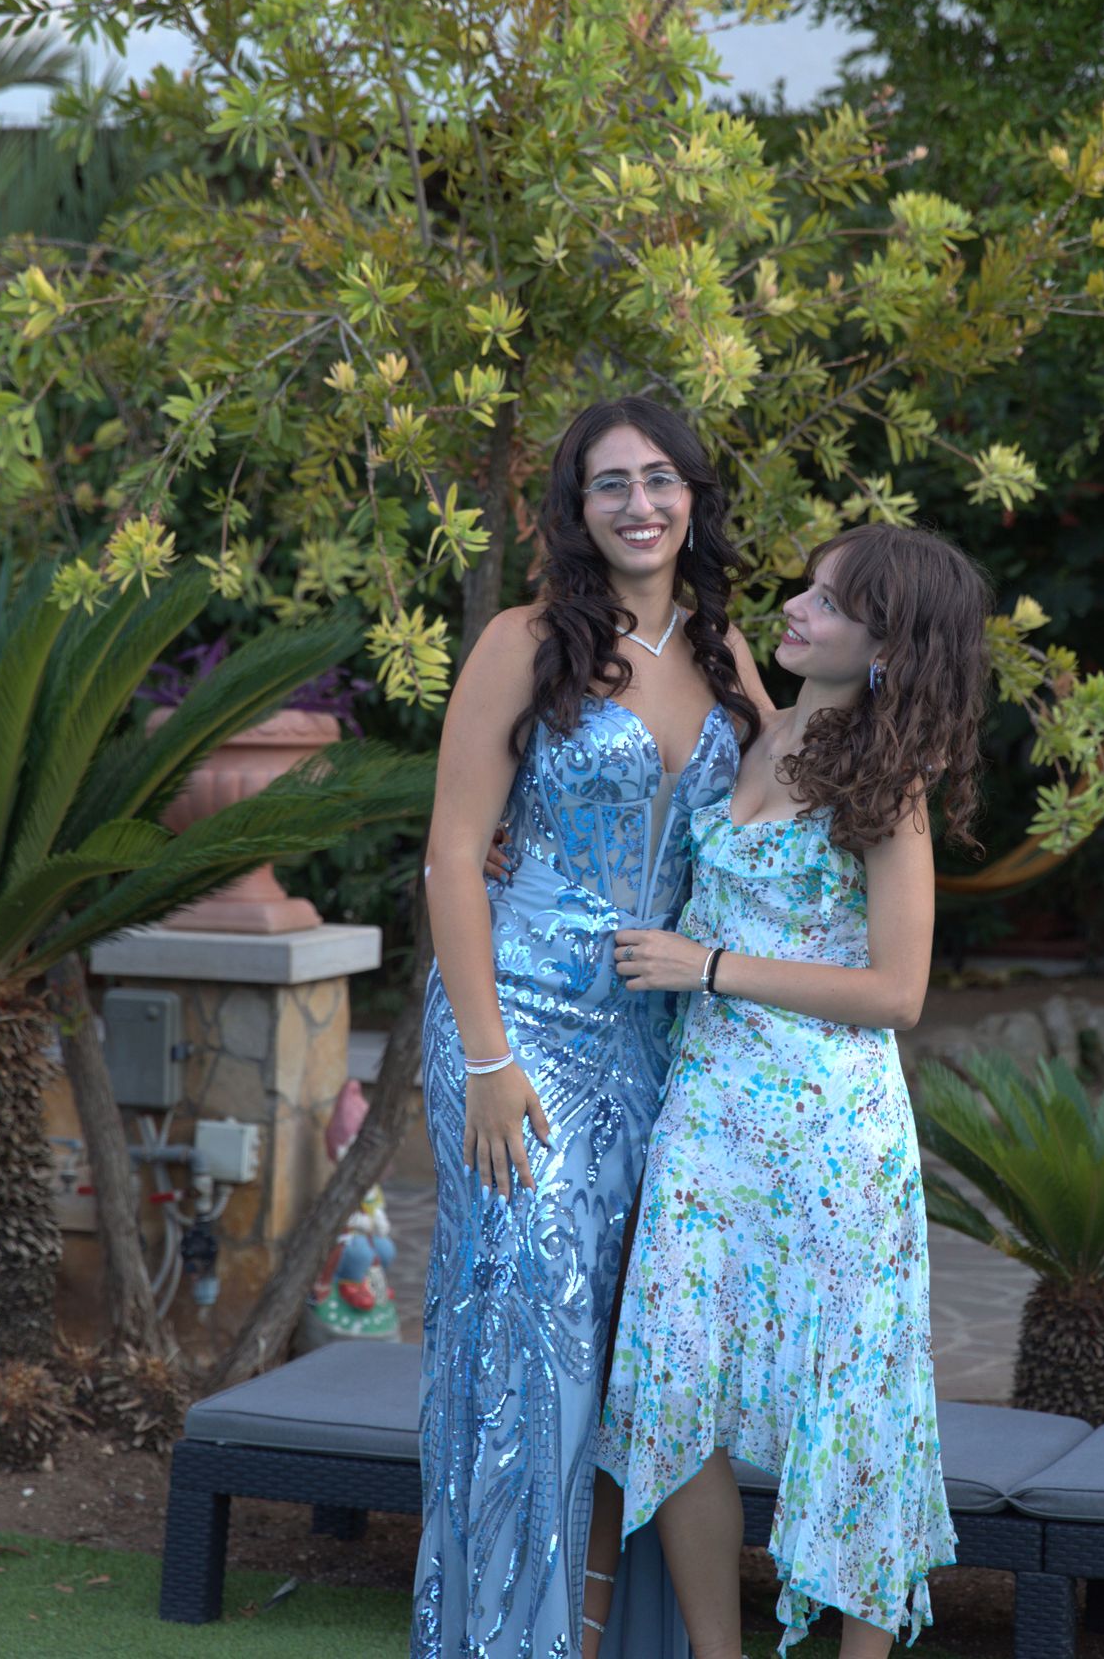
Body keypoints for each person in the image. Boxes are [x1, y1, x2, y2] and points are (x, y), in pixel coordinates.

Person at [410, 395, 771, 1659]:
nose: (638, 504)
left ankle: (600, 1635)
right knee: (534, 1339)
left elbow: (787, 814)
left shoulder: (727, 655)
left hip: (660, 1043)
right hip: (516, 1025)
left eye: (660, 479)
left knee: (633, 1345)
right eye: (609, 483)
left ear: (693, 499)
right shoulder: (523, 642)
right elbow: (454, 856)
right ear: (575, 509)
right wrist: (486, 1060)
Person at [595, 522, 991, 1658]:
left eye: (828, 602)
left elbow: (899, 992)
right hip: (708, 1120)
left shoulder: (890, 785)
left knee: (854, 1409)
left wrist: (709, 967)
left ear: (888, 645)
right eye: (807, 588)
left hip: (829, 1140)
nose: (797, 608)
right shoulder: (755, 729)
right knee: (676, 1391)